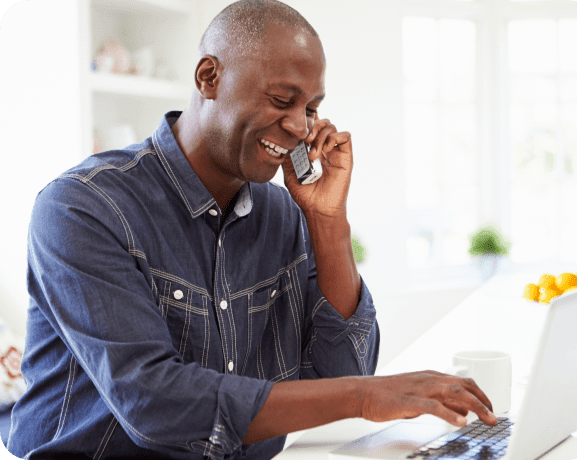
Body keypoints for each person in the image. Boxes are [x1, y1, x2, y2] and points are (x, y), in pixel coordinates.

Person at [7, 1, 497, 459]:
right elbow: (154, 403)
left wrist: (327, 221)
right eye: (283, 99)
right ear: (209, 77)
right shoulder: (83, 207)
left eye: (310, 107)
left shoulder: (283, 216)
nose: (302, 127)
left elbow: (340, 375)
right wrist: (367, 397)